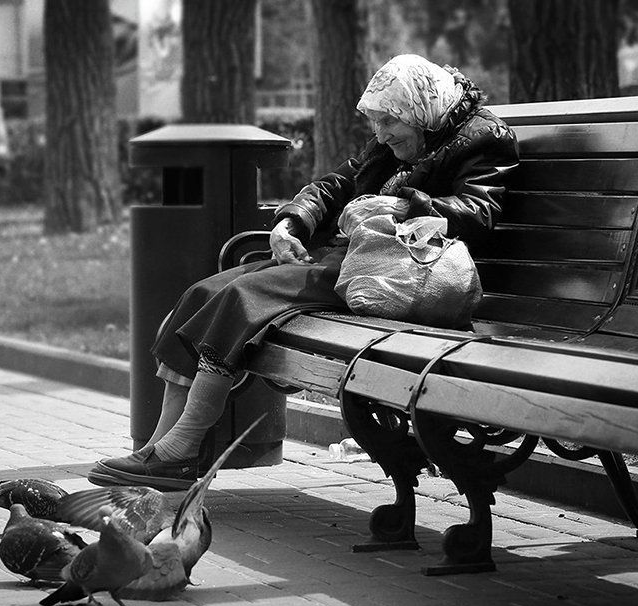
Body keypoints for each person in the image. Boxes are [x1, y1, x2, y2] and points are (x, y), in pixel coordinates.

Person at [88, 53, 520, 491]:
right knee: (203, 293)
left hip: (403, 274)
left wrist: (405, 206)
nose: (381, 133)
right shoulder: (401, 138)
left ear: (420, 111)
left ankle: (182, 448)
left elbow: (480, 211)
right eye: (376, 122)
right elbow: (337, 184)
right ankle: (162, 446)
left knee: (245, 297)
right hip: (356, 259)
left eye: (390, 121)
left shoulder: (483, 139)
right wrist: (291, 221)